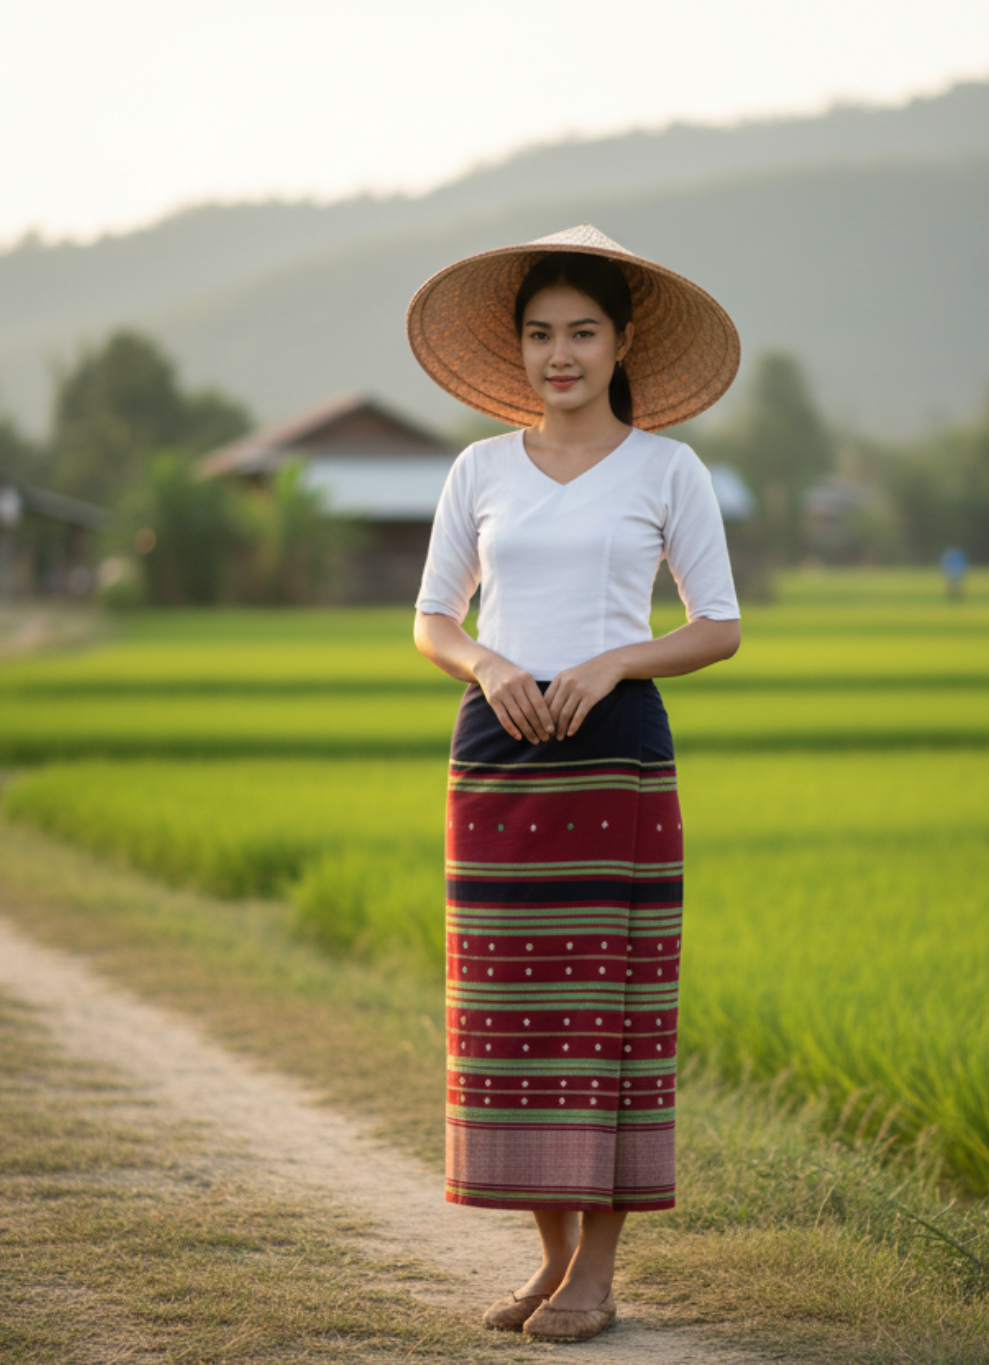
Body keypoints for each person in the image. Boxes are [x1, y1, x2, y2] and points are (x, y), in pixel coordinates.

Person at [406, 225, 743, 1344]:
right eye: (541, 333)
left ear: (621, 342)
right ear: (518, 347)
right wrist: (488, 664)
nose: (560, 354)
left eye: (582, 333)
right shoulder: (477, 469)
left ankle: (596, 1273)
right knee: (509, 1015)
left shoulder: (667, 469)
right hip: (496, 757)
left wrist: (614, 662)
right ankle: (552, 1261)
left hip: (615, 760)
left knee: (606, 1012)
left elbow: (718, 625)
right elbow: (433, 619)